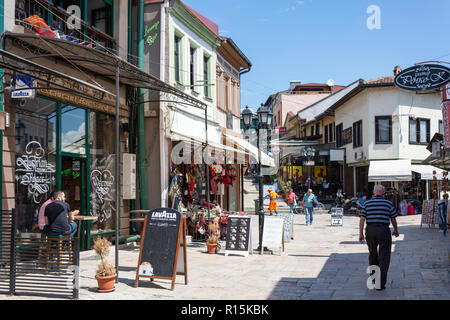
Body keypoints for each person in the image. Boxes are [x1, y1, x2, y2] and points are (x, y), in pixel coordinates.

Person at [359, 185, 399, 290]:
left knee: (372, 254)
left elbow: (362, 218)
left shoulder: (367, 203)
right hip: (383, 230)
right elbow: (393, 218)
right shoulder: (388, 203)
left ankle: (374, 280)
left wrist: (361, 233)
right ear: (384, 193)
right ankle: (380, 284)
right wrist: (396, 230)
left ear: (374, 192)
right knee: (384, 256)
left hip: (370, 230)